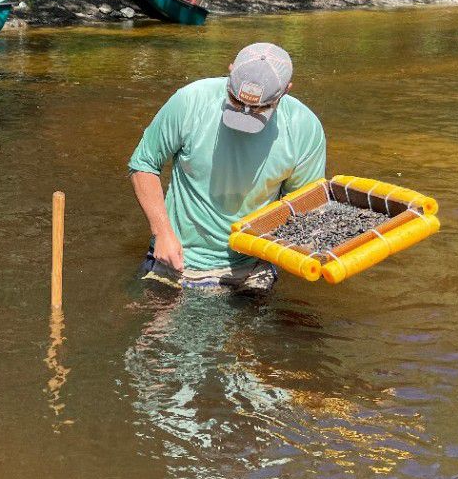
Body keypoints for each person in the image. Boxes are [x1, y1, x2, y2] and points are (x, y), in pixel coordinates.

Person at [128, 42, 325, 292]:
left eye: (259, 108)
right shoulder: (190, 101)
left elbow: (301, 207)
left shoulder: (304, 128)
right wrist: (162, 233)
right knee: (153, 329)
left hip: (253, 269)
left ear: (286, 91)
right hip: (178, 261)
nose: (245, 113)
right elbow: (143, 163)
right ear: (230, 71)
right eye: (236, 99)